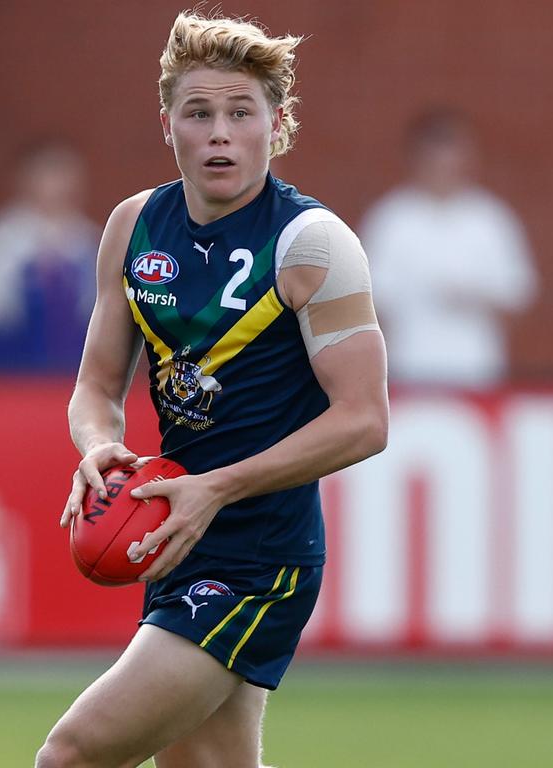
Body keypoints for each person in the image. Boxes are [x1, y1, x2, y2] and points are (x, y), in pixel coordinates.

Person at [37, 12, 388, 768]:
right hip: (175, 532)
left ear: (277, 124)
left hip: (260, 552)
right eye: (199, 113)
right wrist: (101, 447)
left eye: (241, 112)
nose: (220, 132)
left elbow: (364, 422)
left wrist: (215, 489)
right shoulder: (135, 225)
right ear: (168, 124)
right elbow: (96, 385)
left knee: (68, 757)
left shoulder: (312, 244)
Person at [358, 107, 538, 388]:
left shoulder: (490, 220)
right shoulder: (392, 220)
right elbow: (365, 295)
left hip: (477, 369)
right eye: (434, 158)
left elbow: (519, 291)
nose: (444, 167)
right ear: (416, 160)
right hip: (407, 368)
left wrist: (474, 293)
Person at [0, 139, 99, 372]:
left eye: (65, 174)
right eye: (50, 173)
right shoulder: (1, 243)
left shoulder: (90, 240)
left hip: (76, 373)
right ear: (27, 181)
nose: (60, 185)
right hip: (15, 373)